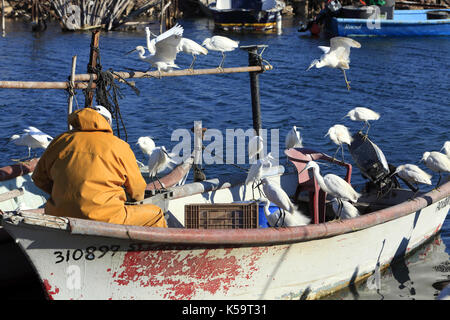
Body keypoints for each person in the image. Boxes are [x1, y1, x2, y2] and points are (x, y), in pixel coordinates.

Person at [31, 105, 167, 227]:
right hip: (105, 218)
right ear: (107, 122)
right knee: (156, 214)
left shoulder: (60, 140)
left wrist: (65, 194)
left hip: (59, 213)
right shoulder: (118, 145)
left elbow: (38, 178)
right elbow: (138, 190)